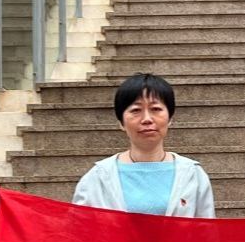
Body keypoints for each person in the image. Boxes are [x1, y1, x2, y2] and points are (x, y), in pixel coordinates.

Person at [71, 72, 215, 216]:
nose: (147, 119)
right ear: (121, 122)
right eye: (136, 110)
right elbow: (79, 227)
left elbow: (206, 227)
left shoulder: (192, 174)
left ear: (170, 118)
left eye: (156, 109)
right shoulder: (98, 177)